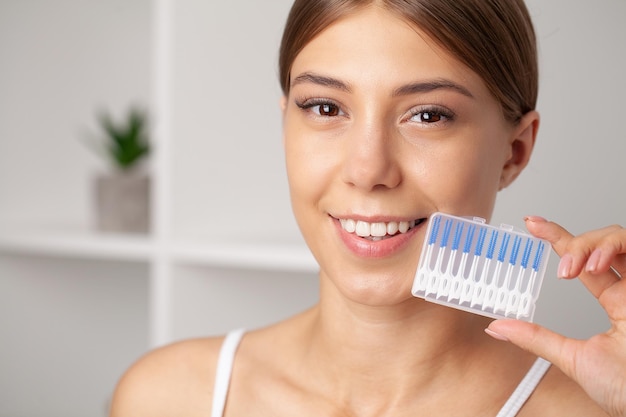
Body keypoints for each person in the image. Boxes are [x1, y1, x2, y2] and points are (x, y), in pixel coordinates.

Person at [109, 1, 626, 416]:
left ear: (514, 152)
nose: (368, 168)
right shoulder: (167, 398)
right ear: (285, 121)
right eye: (326, 107)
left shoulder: (593, 408)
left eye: (428, 115)